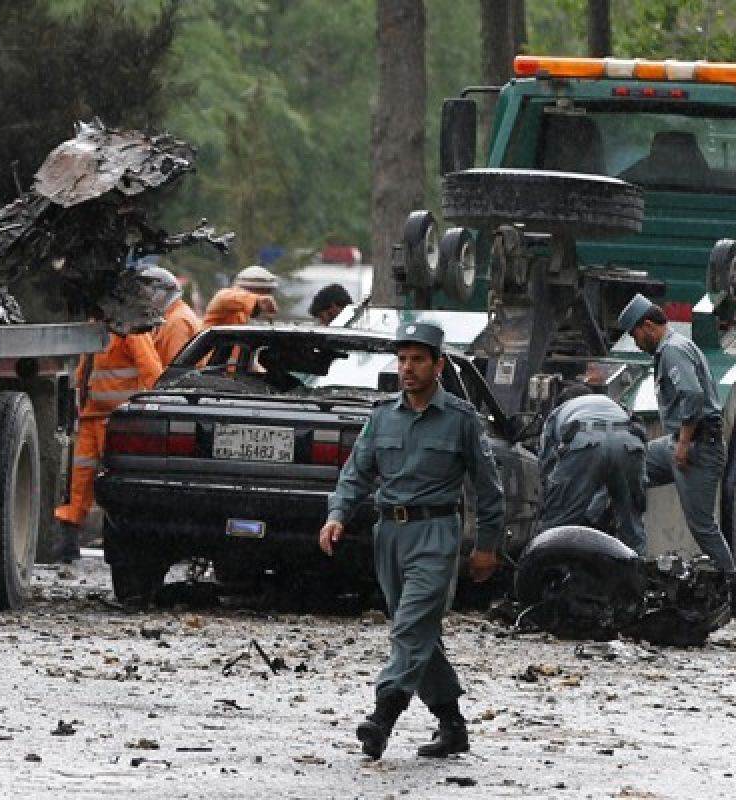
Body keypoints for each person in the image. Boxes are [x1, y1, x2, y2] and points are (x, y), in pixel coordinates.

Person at [319, 321, 504, 761]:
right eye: (402, 359)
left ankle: (382, 717)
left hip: (436, 533)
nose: (408, 368)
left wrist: (487, 545)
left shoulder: (460, 419)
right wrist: (337, 515)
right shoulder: (382, 416)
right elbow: (357, 472)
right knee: (419, 632)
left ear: (438, 365)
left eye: (418, 359)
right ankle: (452, 724)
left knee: (409, 627)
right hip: (390, 535)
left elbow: (488, 487)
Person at [616, 293, 736, 616]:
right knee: (632, 467)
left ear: (648, 326)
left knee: (702, 525)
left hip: (699, 445)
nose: (636, 341)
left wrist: (684, 443)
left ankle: (733, 590)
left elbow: (692, 395)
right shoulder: (669, 348)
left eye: (635, 334)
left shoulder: (672, 350)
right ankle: (629, 554)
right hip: (676, 441)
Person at [54, 330, 163, 563]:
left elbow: (150, 367)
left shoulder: (130, 330)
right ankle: (67, 539)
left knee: (120, 479)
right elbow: (86, 371)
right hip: (90, 416)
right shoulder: (97, 329)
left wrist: (157, 405)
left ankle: (129, 540)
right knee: (78, 481)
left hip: (117, 420)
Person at [537, 383, 647, 554]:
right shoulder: (615, 405)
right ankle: (638, 572)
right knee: (631, 525)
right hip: (629, 442)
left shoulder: (558, 412)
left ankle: (553, 573)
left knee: (558, 527)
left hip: (585, 440)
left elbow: (547, 467)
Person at [141, 265, 202, 364]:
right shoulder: (173, 315)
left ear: (160, 294)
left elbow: (176, 368)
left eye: (146, 294)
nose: (144, 300)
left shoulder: (177, 322)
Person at [203, 265, 279, 328]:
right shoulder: (224, 297)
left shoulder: (243, 314)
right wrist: (259, 300)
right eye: (264, 292)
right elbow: (224, 297)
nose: (268, 296)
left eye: (269, 293)